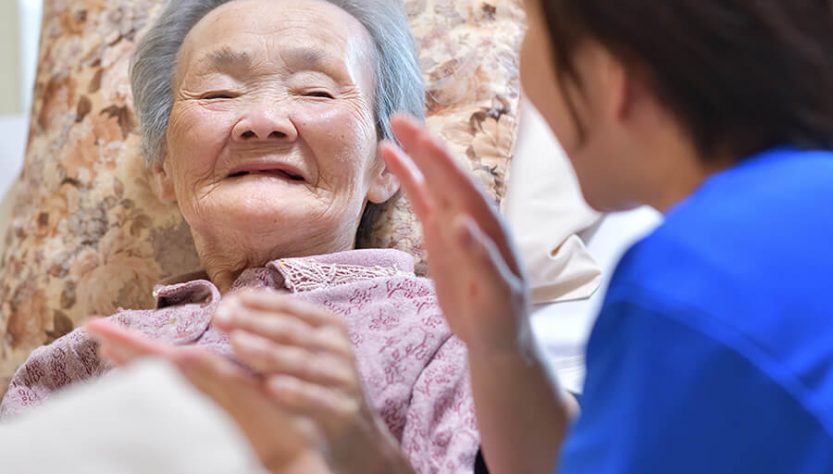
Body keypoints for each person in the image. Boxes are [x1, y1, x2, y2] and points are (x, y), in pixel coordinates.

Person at [0, 0, 479, 472]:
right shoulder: (78, 360)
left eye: (316, 91)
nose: (263, 121)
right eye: (218, 94)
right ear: (163, 168)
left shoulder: (456, 335)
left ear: (384, 165)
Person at [378, 0, 833, 473]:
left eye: (531, 28)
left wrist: (360, 453)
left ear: (612, 74)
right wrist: (501, 343)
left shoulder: (683, 284)